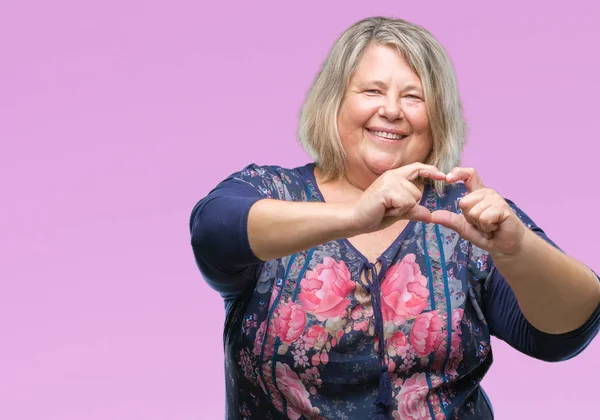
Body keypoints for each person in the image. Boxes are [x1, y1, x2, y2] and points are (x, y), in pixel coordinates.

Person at [189, 16, 600, 420]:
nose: (391, 110)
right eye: (372, 90)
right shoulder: (272, 191)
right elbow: (213, 231)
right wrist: (353, 215)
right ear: (334, 101)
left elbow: (565, 332)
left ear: (436, 117)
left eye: (413, 97)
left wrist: (518, 248)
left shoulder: (465, 213)